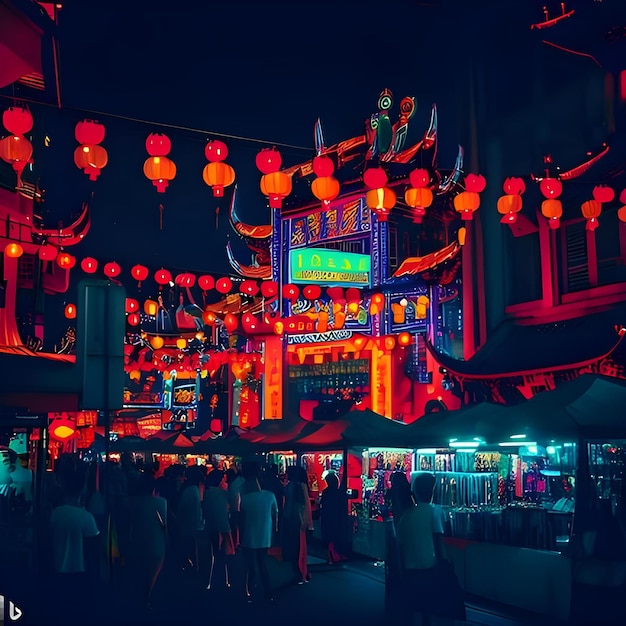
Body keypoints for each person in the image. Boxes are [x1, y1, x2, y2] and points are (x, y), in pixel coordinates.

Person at [396, 472, 465, 625]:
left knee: (417, 609)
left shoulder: (406, 515)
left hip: (410, 569)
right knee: (435, 608)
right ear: (432, 491)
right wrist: (446, 563)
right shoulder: (435, 511)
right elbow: (438, 540)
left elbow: (400, 544)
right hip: (430, 567)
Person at [49, 468, 100, 612]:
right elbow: (93, 547)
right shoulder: (86, 517)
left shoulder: (55, 514)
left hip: (57, 568)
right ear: (81, 491)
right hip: (80, 571)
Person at [126, 473, 168, 610]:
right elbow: (164, 524)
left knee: (141, 569)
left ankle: (142, 596)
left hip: (137, 539)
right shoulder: (160, 502)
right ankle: (147, 597)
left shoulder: (131, 502)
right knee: (153, 571)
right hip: (156, 541)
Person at [239, 461, 278, 603]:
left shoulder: (244, 499)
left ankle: (248, 591)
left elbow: (241, 519)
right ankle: (268, 592)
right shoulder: (270, 496)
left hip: (249, 536)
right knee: (263, 565)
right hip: (264, 536)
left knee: (251, 566)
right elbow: (275, 515)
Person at [202, 469, 234, 590]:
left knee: (213, 553)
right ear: (220, 480)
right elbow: (232, 507)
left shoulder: (207, 492)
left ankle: (210, 581)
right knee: (223, 555)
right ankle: (225, 580)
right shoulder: (223, 493)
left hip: (211, 525)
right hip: (223, 526)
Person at [281, 465, 313, 584]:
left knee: (296, 547)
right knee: (299, 547)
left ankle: (299, 573)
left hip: (292, 518)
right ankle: (301, 572)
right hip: (297, 517)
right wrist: (307, 520)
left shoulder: (290, 486)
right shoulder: (300, 485)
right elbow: (306, 502)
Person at [319, 471, 348, 564]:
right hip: (336, 517)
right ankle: (334, 555)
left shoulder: (326, 492)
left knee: (329, 537)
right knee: (335, 536)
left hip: (327, 517)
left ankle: (331, 555)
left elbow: (322, 504)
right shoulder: (339, 493)